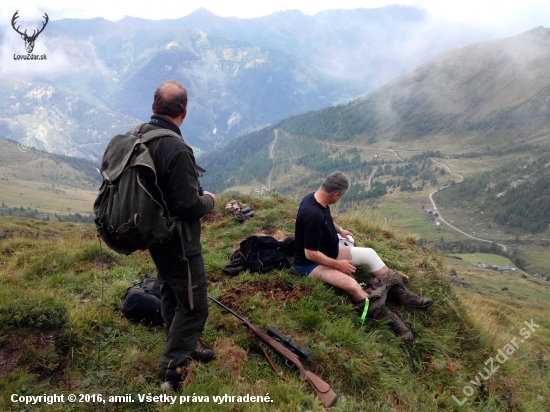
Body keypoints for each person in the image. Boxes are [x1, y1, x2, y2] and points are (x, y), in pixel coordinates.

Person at [139, 79, 217, 390]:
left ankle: (187, 343)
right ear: (183, 112)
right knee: (195, 306)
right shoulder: (177, 148)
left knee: (172, 291)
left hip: (153, 235)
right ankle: (172, 373)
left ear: (153, 106)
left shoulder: (139, 136)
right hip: (180, 242)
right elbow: (189, 206)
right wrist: (210, 200)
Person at [294, 171, 433, 342]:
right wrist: (339, 266)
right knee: (352, 285)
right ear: (336, 194)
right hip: (310, 264)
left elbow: (327, 218)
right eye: (340, 196)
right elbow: (310, 253)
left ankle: (401, 294)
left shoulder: (315, 199)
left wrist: (340, 230)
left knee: (370, 254)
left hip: (329, 250)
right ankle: (382, 315)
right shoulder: (312, 214)